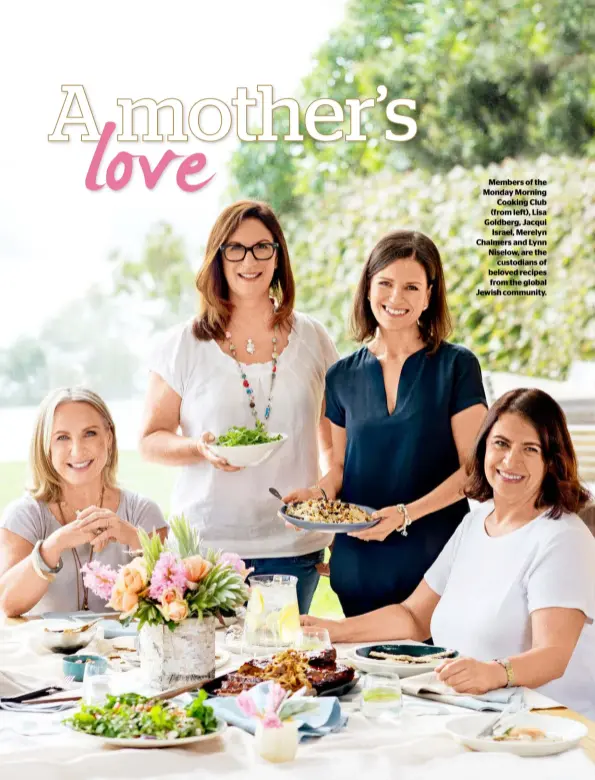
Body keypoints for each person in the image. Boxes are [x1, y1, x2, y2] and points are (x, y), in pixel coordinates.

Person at [302, 389, 595, 718]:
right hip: (475, 711)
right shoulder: (475, 523)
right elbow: (413, 618)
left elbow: (553, 655)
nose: (511, 461)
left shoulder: (562, 538)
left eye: (530, 448)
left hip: (552, 725)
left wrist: (493, 673)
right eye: (501, 443)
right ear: (483, 448)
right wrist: (328, 629)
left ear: (551, 461)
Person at [139, 200, 338, 613]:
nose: (250, 260)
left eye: (262, 247)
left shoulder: (315, 339)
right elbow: (150, 440)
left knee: (283, 669)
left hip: (294, 546)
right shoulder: (184, 344)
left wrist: (322, 493)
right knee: (212, 675)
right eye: (235, 249)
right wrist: (199, 449)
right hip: (207, 550)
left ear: (278, 256)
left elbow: (333, 443)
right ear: (218, 258)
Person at [285, 230, 487, 616]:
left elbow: (473, 470)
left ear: (430, 295)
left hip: (437, 563)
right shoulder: (341, 375)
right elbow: (341, 468)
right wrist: (317, 497)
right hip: (360, 565)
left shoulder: (457, 367)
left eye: (412, 287)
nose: (396, 298)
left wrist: (405, 514)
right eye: (386, 284)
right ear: (367, 288)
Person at [0, 388, 168, 617]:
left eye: (90, 433)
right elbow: (8, 604)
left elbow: (171, 600)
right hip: (47, 652)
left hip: (125, 652)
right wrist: (54, 545)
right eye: (62, 437)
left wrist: (132, 537)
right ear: (45, 446)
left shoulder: (143, 512)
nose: (77, 450)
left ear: (108, 438)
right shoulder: (24, 516)